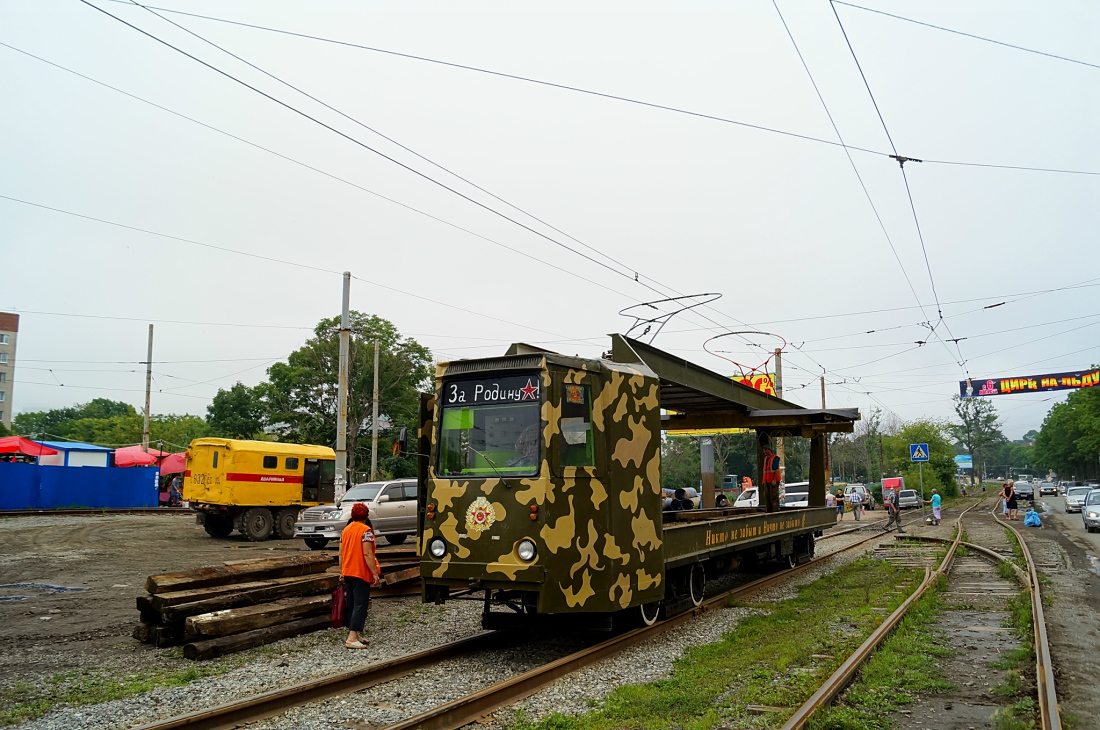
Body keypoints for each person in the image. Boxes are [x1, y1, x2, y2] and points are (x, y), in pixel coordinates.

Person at [340, 502, 381, 649]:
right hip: (360, 572)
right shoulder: (366, 531)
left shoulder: (346, 530)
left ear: (352, 515)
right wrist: (374, 573)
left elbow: (341, 553)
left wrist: (342, 571)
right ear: (367, 515)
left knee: (352, 603)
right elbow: (367, 553)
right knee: (360, 604)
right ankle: (351, 638)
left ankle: (355, 635)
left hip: (348, 572)